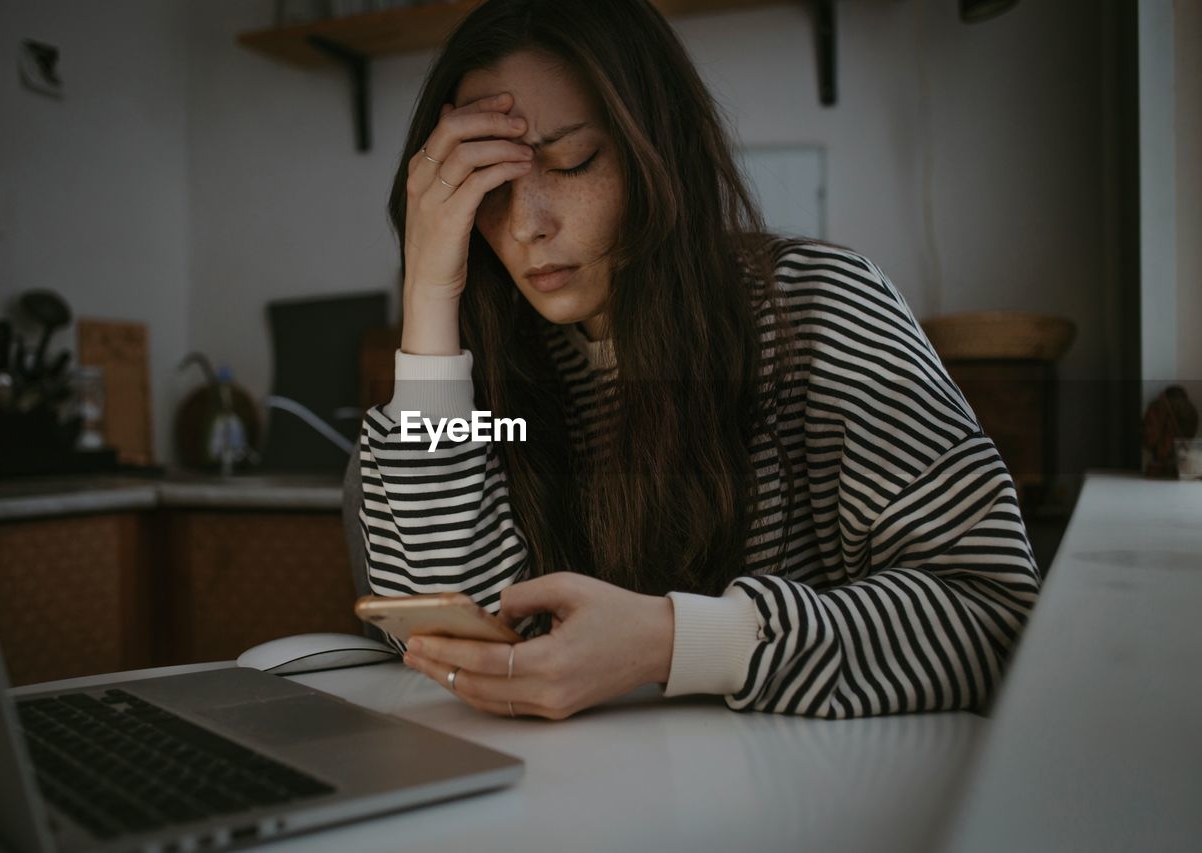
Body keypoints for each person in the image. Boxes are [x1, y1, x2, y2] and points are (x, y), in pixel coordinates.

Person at [354, 0, 1040, 720]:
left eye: (573, 161)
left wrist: (674, 642)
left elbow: (990, 616)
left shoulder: (823, 311)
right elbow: (471, 651)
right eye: (488, 184)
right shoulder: (474, 367)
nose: (527, 225)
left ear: (660, 152)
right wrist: (430, 292)